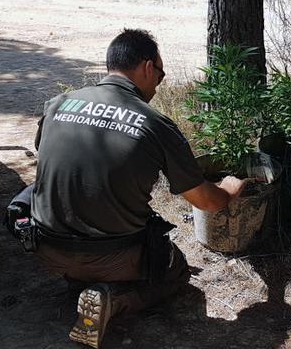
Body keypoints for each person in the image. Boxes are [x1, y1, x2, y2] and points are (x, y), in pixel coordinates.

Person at [30, 29, 250, 349]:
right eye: (159, 74)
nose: (159, 84)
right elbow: (206, 201)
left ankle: (79, 280)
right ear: (148, 67)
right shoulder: (155, 123)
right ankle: (113, 299)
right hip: (108, 256)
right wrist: (229, 188)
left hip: (45, 247)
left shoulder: (58, 103)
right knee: (175, 270)